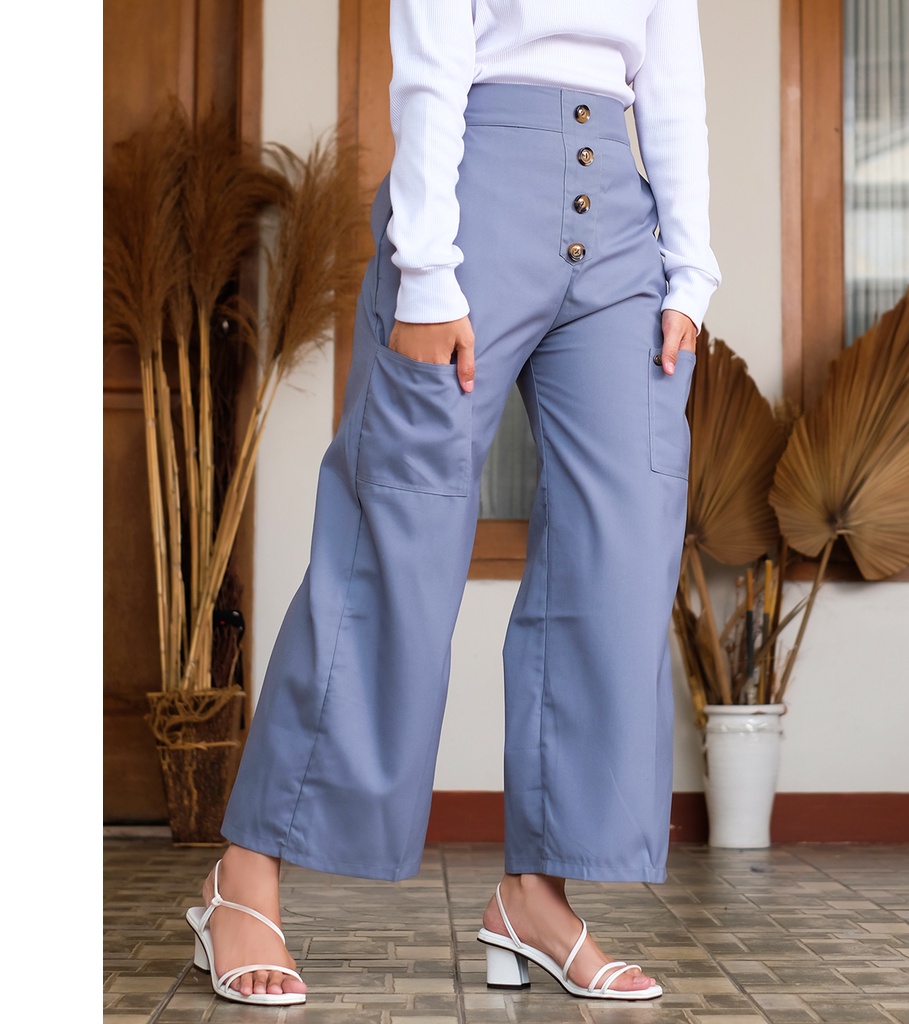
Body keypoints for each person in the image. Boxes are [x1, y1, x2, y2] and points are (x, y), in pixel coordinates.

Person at [186, 0, 721, 1006]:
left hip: (622, 220)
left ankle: (535, 898)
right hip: (473, 192)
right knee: (397, 530)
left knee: (620, 553)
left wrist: (691, 270)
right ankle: (245, 875)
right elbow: (432, 57)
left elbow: (673, 78)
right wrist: (426, 265)